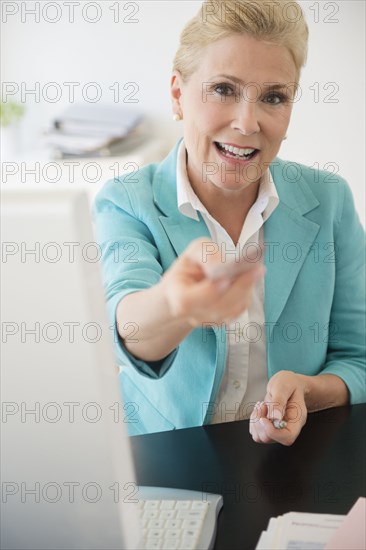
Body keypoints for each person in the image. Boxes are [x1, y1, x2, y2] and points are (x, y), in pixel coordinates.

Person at [93, 0, 366, 444]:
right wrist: (176, 304)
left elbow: (359, 358)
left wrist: (309, 392)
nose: (246, 122)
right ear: (179, 95)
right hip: (166, 455)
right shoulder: (126, 202)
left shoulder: (329, 200)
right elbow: (127, 332)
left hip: (295, 459)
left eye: (274, 97)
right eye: (223, 89)